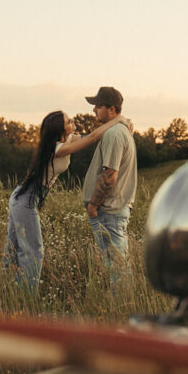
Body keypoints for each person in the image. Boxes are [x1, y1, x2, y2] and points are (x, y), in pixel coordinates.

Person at [4, 109, 131, 290]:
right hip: (24, 201)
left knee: (13, 247)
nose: (74, 121)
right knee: (34, 251)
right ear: (61, 129)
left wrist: (122, 126)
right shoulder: (58, 149)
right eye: (69, 121)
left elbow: (97, 135)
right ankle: (25, 295)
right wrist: (120, 119)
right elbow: (94, 136)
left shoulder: (66, 140)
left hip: (22, 198)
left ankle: (8, 290)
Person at [82, 86, 138, 284]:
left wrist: (93, 205)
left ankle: (121, 307)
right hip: (113, 209)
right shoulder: (121, 130)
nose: (94, 110)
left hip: (108, 210)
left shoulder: (113, 134)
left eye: (98, 106)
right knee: (117, 265)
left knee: (116, 267)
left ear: (112, 109)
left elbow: (110, 176)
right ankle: (121, 305)